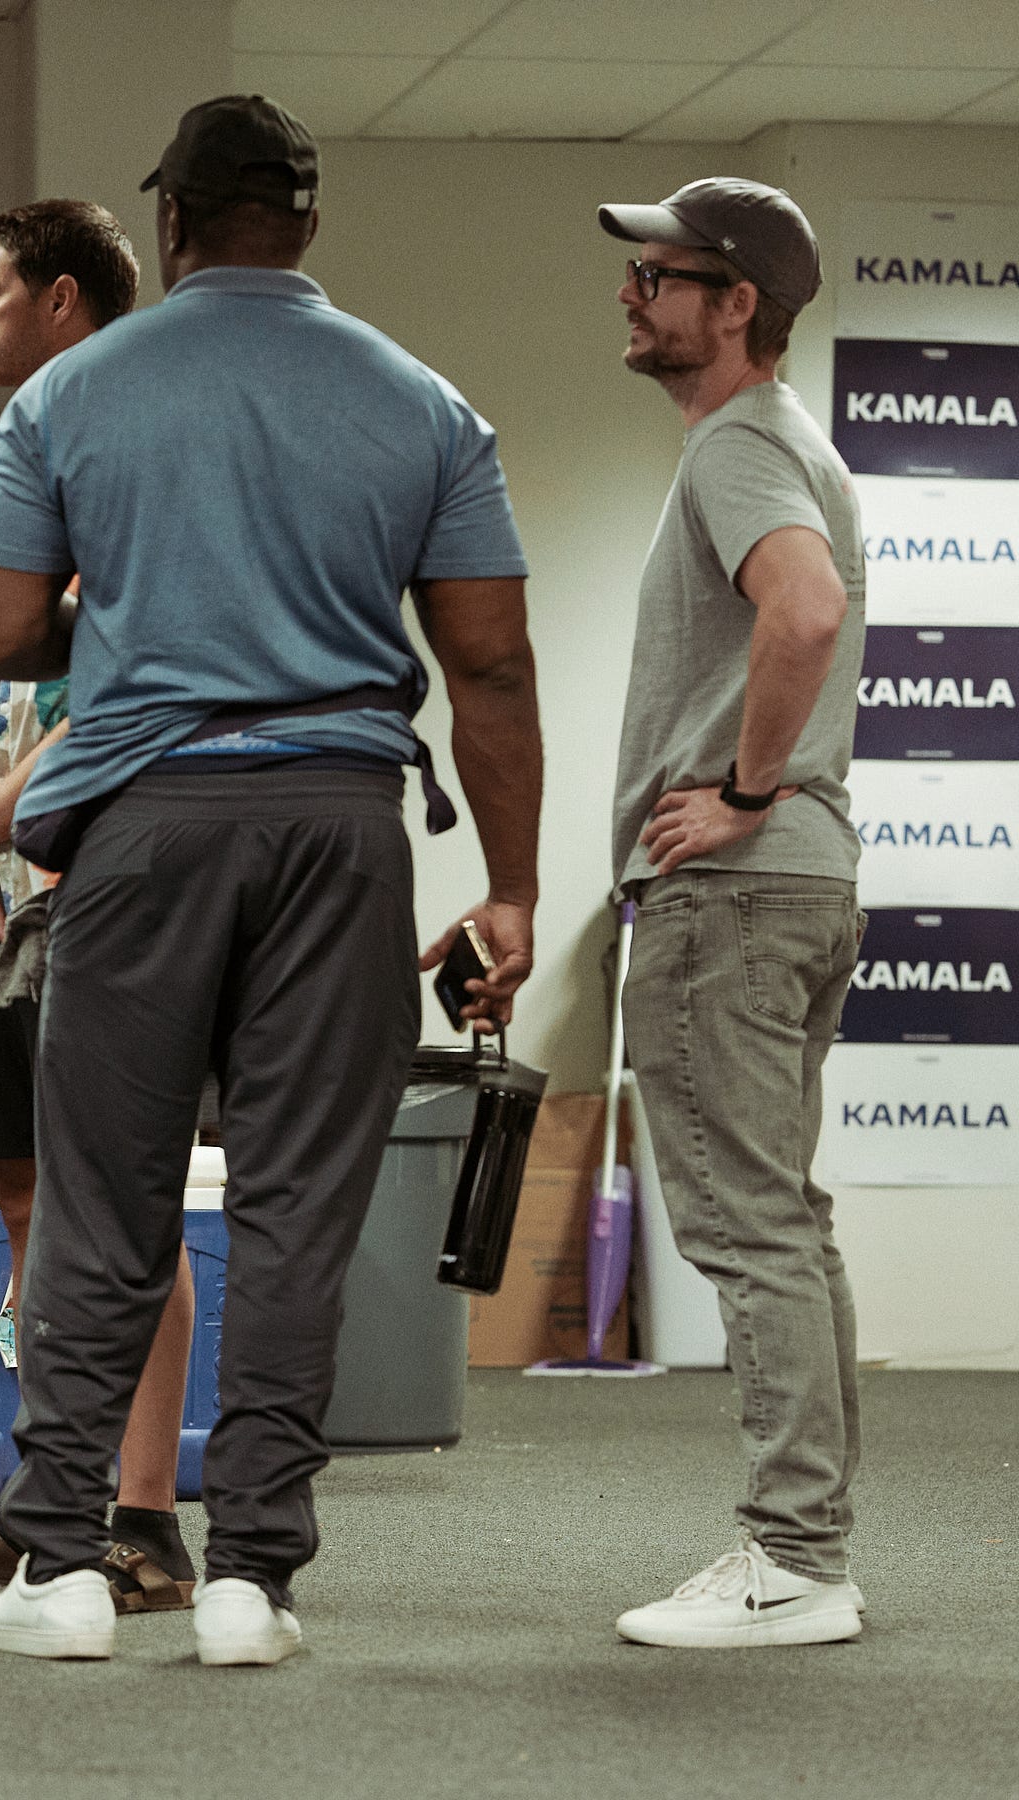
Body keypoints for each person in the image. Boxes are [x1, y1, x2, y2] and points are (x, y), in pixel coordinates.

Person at [0, 96, 542, 1665]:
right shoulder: (423, 402)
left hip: (145, 822)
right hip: (344, 822)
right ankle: (249, 1581)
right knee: (291, 1213)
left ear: (174, 227)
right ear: (310, 225)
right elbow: (491, 665)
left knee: (103, 1202)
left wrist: (140, 611)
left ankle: (64, 1568)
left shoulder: (75, 389)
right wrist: (516, 891)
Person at [0, 200, 203, 1614]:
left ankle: (145, 1519)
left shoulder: (147, 459)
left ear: (63, 301)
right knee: (18, 1196)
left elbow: (121, 701)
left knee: (117, 1210)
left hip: (95, 885)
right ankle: (42, 1503)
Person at [595, 180, 868, 1648]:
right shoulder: (784, 446)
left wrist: (745, 791)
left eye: (662, 278)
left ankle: (791, 1557)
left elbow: (805, 610)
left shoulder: (741, 452)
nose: (632, 296)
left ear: (736, 304)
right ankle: (810, 1544)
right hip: (799, 890)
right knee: (789, 1224)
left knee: (754, 1230)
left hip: (738, 893)